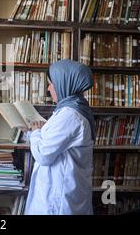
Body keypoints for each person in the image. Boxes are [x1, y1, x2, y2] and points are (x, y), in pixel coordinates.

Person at [24, 59, 95, 215]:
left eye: (51, 84)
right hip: (62, 193)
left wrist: (36, 132)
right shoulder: (70, 110)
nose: (49, 89)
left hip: (59, 200)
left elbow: (43, 155)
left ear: (65, 84)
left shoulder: (70, 115)